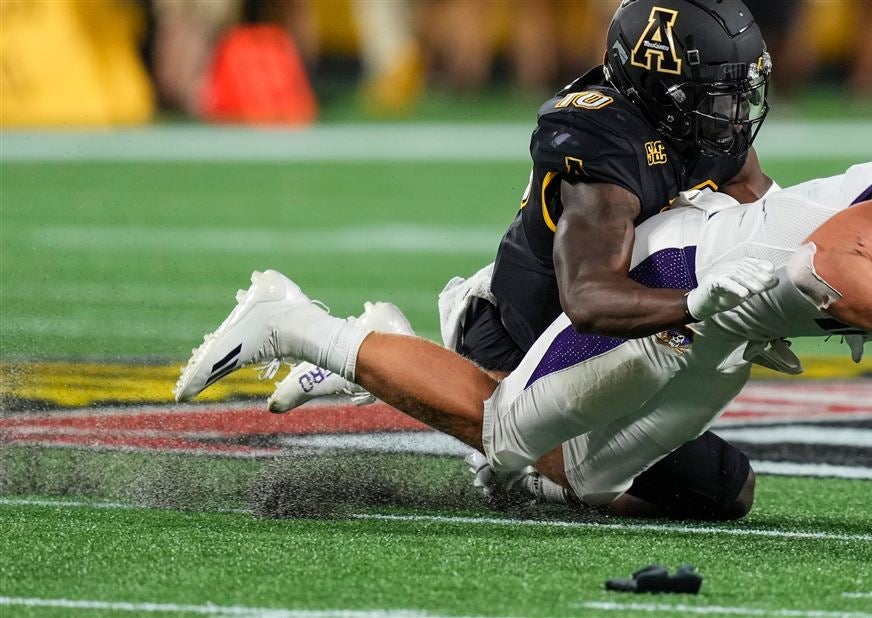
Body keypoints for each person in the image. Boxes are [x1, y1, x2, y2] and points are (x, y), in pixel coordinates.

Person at [175, 130, 872, 512]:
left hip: (741, 334)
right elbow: (832, 264)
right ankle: (298, 322)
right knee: (512, 439)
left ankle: (389, 346)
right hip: (700, 272)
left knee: (580, 479)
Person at [270, 0, 779, 520]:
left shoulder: (707, 134)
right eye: (716, 97)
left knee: (723, 490)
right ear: (661, 90)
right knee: (532, 448)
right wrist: (701, 302)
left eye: (739, 95)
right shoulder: (605, 144)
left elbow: (769, 219)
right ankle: (354, 348)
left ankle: (427, 383)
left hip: (619, 341)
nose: (734, 115)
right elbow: (588, 300)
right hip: (526, 335)